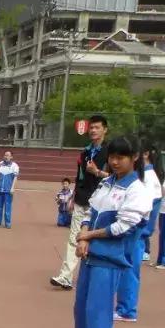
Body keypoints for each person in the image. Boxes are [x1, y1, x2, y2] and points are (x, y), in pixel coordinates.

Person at [60, 136, 151, 328]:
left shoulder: (136, 190)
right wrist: (83, 234)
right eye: (112, 157)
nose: (115, 162)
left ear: (134, 158)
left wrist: (88, 237)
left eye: (120, 157)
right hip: (91, 254)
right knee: (81, 308)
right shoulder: (107, 183)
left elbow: (124, 227)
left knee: (97, 310)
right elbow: (90, 210)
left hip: (109, 258)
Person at [51, 115, 108, 290]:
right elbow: (79, 177)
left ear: (105, 130)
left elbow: (116, 178)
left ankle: (96, 278)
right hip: (82, 200)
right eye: (91, 127)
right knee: (74, 238)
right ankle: (66, 277)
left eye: (97, 127)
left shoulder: (111, 153)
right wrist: (73, 197)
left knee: (95, 241)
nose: (93, 130)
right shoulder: (85, 152)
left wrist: (97, 172)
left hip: (100, 203)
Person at [115, 144, 165, 322]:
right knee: (126, 269)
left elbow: (146, 208)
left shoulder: (148, 178)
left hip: (136, 232)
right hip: (136, 232)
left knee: (128, 269)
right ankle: (124, 308)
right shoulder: (145, 176)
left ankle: (127, 310)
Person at [0, 151, 19, 228]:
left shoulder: (14, 166)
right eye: (5, 155)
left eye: (8, 155)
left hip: (8, 190)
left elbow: (15, 177)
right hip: (0, 188)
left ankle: (8, 223)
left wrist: (12, 188)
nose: (6, 156)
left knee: (8, 206)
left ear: (11, 157)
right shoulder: (0, 164)